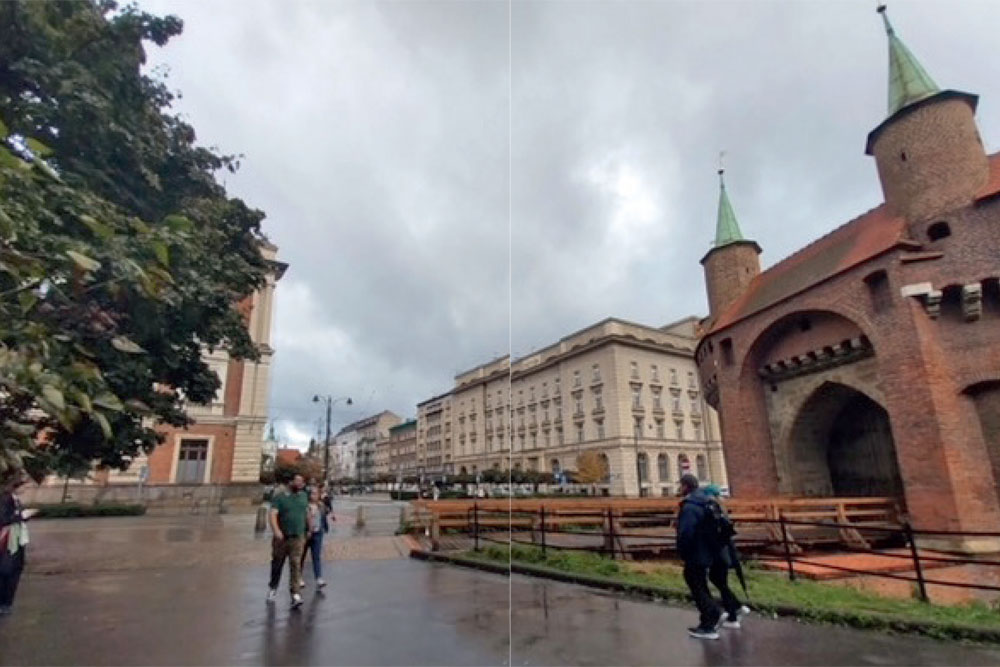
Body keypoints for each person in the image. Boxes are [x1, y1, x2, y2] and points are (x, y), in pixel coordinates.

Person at [676, 474, 748, 640]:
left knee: (695, 582)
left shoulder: (690, 506)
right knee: (707, 582)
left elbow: (686, 532)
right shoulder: (709, 501)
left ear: (686, 486)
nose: (679, 489)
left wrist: (682, 551)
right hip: (715, 550)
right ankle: (726, 612)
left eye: (681, 485)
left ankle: (712, 618)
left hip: (697, 551)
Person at [267, 473, 309, 608]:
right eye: (297, 481)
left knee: (296, 564)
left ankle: (295, 594)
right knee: (277, 564)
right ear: (290, 482)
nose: (300, 483)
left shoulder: (303, 496)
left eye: (302, 481)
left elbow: (306, 513)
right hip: (282, 538)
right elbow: (272, 514)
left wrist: (309, 528)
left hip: (297, 537)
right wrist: (276, 531)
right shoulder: (280, 498)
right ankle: (273, 588)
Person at [1, 471, 37, 616]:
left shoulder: (15, 499)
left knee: (16, 569)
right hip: (8, 540)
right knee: (6, 571)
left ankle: (7, 603)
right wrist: (22, 515)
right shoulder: (6, 499)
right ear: (17, 486)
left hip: (17, 539)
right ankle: (4, 603)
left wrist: (24, 516)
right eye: (25, 487)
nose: (26, 490)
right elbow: (3, 518)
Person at [298, 488, 330, 589]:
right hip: (306, 534)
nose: (314, 496)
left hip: (318, 533)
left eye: (316, 494)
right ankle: (298, 578)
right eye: (312, 494)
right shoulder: (304, 506)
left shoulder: (321, 506)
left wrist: (324, 528)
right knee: (301, 556)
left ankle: (319, 578)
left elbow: (324, 516)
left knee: (316, 556)